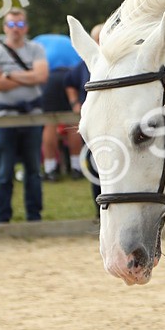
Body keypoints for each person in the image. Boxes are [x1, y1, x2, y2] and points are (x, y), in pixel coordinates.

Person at [0, 9, 48, 224]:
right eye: (11, 25)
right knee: (4, 172)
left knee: (33, 171)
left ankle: (34, 217)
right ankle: (1, 219)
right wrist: (28, 77)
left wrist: (9, 75)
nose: (15, 30)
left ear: (26, 27)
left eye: (19, 25)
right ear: (4, 27)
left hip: (32, 117)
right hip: (4, 118)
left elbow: (42, 76)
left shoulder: (36, 48)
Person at [32, 32, 82, 180]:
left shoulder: (38, 40)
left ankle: (50, 168)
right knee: (73, 121)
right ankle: (76, 167)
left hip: (50, 77)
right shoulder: (68, 40)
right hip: (71, 75)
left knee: (50, 123)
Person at [65, 24, 104, 208]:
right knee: (95, 167)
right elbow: (69, 82)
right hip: (94, 125)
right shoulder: (84, 64)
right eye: (98, 40)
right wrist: (74, 102)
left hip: (116, 123)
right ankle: (99, 210)